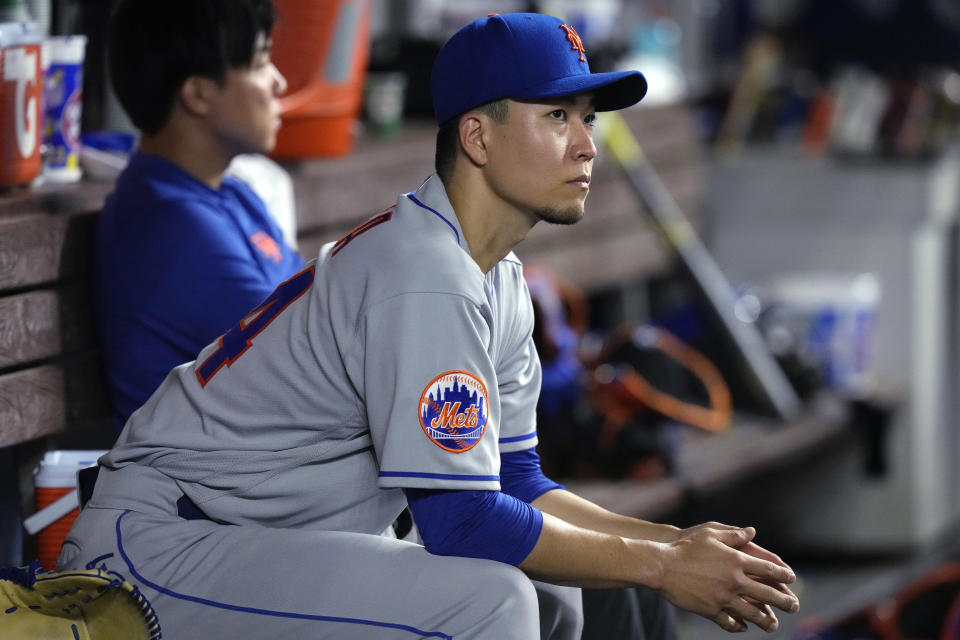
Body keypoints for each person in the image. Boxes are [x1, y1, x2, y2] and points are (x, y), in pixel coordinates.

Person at [60, 12, 800, 639]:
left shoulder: (493, 273)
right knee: (495, 599)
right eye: (555, 116)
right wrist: (667, 566)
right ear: (477, 138)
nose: (586, 145)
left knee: (557, 591)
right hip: (162, 545)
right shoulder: (424, 274)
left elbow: (516, 482)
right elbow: (462, 523)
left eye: (588, 119)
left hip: (263, 537)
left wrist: (674, 545)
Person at [94, 0, 303, 432]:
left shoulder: (231, 194)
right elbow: (313, 352)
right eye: (261, 62)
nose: (279, 82)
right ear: (199, 93)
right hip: (202, 491)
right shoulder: (169, 224)